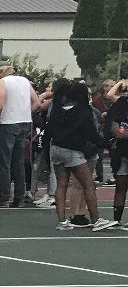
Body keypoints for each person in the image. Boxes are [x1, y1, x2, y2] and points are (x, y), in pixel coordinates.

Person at [45, 79, 103, 229]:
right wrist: (107, 144)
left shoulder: (57, 110)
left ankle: (62, 221)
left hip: (56, 149)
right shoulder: (83, 111)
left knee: (61, 185)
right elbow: (92, 135)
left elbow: (48, 134)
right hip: (73, 151)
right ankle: (96, 220)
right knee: (88, 185)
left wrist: (47, 154)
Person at [0, 63, 35, 206]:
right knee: (19, 161)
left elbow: (0, 105)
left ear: (0, 72)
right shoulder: (25, 81)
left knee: (4, 161)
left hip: (8, 122)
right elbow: (36, 102)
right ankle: (19, 196)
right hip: (24, 122)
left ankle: (4, 196)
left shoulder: (3, 82)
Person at [104, 80, 128, 229]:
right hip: (122, 152)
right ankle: (117, 219)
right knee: (120, 186)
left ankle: (117, 219)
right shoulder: (121, 105)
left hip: (122, 150)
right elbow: (116, 131)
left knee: (120, 188)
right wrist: (122, 133)